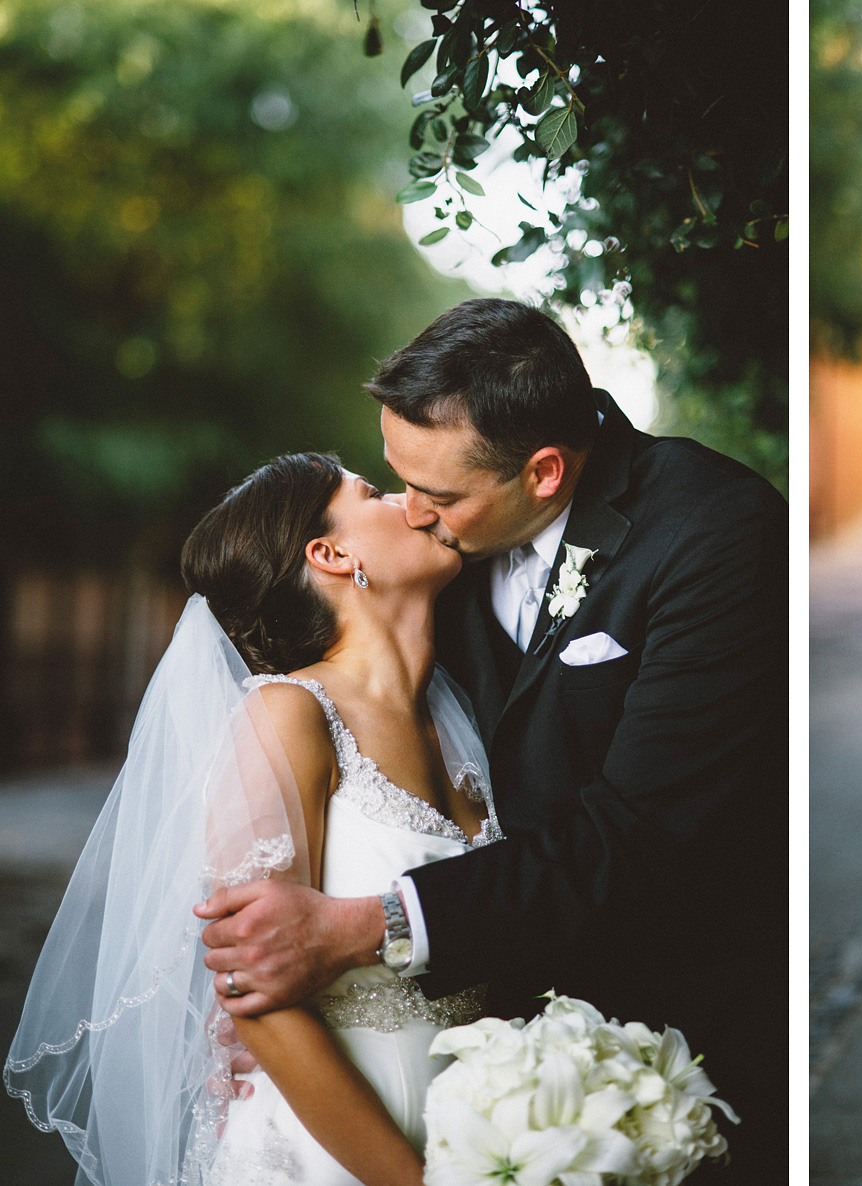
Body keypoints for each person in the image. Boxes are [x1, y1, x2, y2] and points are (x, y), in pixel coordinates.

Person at [192, 300, 789, 1181]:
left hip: (655, 1056)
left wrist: (370, 927)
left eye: (435, 495)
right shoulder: (410, 610)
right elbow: (253, 967)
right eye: (392, 482)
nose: (414, 512)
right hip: (418, 1121)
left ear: (544, 472)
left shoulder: (713, 529)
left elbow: (642, 832)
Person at [7, 452, 497, 1186]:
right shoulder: (285, 715)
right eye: (372, 493)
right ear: (331, 554)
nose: (408, 500)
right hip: (329, 1153)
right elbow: (254, 995)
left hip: (486, 1124)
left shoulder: (464, 724)